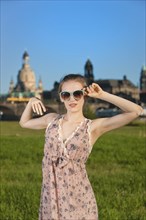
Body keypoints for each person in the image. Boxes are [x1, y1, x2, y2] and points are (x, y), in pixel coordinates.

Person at [19, 74, 143, 220]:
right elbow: (24, 123)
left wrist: (102, 95)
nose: (72, 99)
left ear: (84, 95)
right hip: (51, 199)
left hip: (80, 200)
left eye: (77, 94)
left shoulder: (92, 127)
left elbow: (136, 111)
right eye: (66, 95)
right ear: (61, 97)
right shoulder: (51, 120)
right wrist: (30, 102)